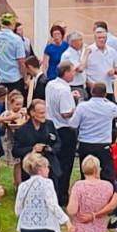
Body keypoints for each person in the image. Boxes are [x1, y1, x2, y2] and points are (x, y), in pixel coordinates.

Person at [44, 61, 80, 206]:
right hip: (64, 129)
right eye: (72, 71)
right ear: (66, 72)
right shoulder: (64, 90)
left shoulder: (51, 84)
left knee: (54, 162)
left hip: (51, 127)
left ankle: (52, 192)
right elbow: (65, 113)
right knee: (65, 164)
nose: (74, 73)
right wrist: (76, 107)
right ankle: (62, 195)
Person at [72, 81, 117, 183]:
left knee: (86, 172)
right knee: (107, 174)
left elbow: (73, 124)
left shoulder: (82, 106)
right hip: (103, 144)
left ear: (91, 92)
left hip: (86, 143)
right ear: (105, 94)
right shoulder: (110, 107)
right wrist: (105, 100)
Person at [13, 98, 62, 184]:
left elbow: (58, 142)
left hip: (50, 168)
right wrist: (32, 149)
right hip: (30, 171)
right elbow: (15, 151)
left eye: (45, 112)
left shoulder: (49, 124)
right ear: (32, 113)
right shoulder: (22, 130)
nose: (44, 115)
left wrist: (50, 149)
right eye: (41, 113)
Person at [0, 14, 28, 94]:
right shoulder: (17, 39)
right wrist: (25, 79)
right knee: (14, 99)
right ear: (13, 24)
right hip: (14, 78)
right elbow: (21, 61)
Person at [81, 28, 117, 95]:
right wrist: (87, 82)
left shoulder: (112, 51)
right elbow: (82, 68)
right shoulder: (88, 51)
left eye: (103, 38)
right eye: (99, 38)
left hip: (108, 88)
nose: (101, 40)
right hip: (92, 87)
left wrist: (114, 70)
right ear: (95, 38)